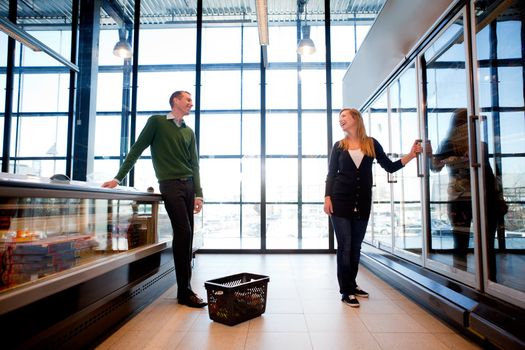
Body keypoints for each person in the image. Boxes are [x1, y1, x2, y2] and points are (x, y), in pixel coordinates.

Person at [102, 91, 207, 308]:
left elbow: (195, 164)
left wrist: (199, 194)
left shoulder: (189, 132)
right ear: (175, 101)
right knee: (184, 232)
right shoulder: (157, 122)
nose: (191, 103)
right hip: (169, 185)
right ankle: (184, 292)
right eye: (187, 99)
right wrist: (118, 178)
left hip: (188, 185)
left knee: (186, 237)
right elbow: (137, 149)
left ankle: (184, 290)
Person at [324, 108, 422, 307]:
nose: (340, 120)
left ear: (355, 119)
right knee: (345, 246)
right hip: (340, 201)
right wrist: (327, 197)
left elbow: (390, 166)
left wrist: (411, 155)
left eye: (344, 116)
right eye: (339, 117)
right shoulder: (339, 146)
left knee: (356, 247)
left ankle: (352, 284)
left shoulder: (371, 143)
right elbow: (331, 174)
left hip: (362, 202)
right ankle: (346, 291)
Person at [428, 108, 507, 279]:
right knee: (471, 246)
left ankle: (478, 283)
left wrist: (499, 197)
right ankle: (475, 283)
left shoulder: (478, 145)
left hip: (477, 199)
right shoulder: (451, 144)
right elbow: (435, 167)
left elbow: (489, 173)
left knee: (471, 245)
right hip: (467, 200)